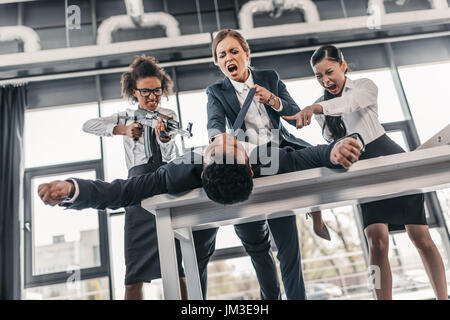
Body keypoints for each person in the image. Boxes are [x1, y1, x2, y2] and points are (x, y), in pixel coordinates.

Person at [37, 133, 362, 299]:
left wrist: (334, 151)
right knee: (197, 256)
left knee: (258, 245)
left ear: (249, 164)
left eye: (225, 147)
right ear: (203, 168)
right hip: (197, 217)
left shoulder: (265, 159)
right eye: (214, 149)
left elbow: (306, 156)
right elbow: (123, 191)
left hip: (247, 201)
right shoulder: (178, 174)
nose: (219, 140)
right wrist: (73, 190)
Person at [284, 44, 448, 300]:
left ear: (343, 65)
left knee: (421, 237)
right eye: (319, 76)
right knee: (376, 240)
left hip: (389, 160)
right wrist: (317, 214)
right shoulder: (320, 109)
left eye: (329, 72)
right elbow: (331, 147)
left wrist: (316, 108)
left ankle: (442, 297)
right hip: (360, 169)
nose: (326, 80)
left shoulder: (365, 86)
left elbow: (350, 104)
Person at [82, 55, 187, 300]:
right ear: (134, 91)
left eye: (157, 92)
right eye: (146, 92)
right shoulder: (126, 116)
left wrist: (165, 139)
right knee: (133, 276)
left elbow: (172, 155)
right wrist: (122, 130)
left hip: (166, 183)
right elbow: (88, 125)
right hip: (137, 189)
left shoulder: (168, 114)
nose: (152, 98)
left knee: (177, 268)